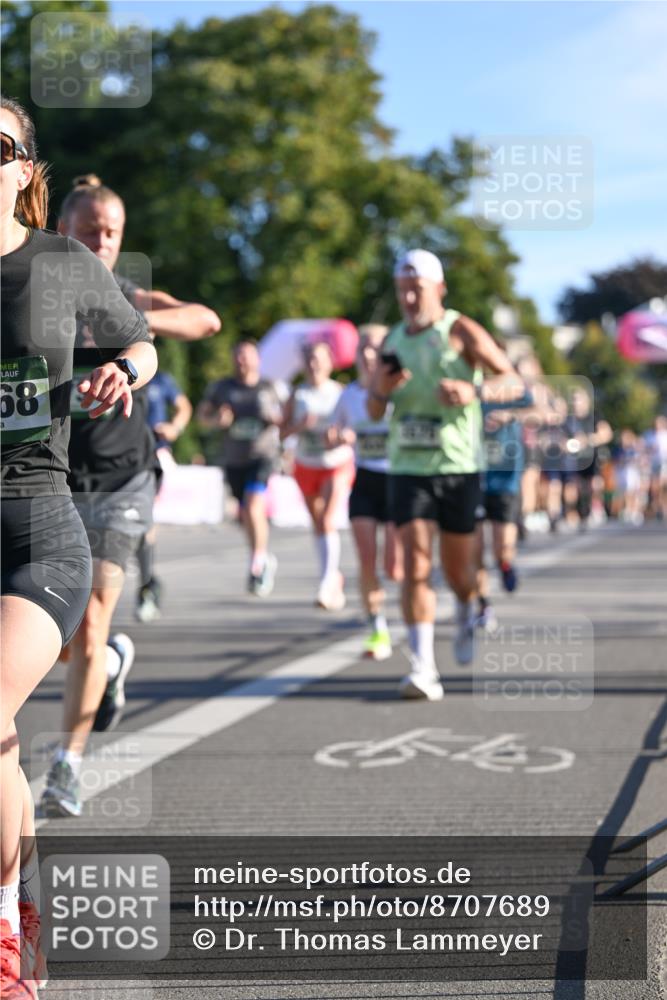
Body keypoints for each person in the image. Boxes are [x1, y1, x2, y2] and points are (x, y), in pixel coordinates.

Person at [0, 96, 157, 995]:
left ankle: (5, 938)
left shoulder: (59, 263)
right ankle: (20, 905)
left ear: (26, 169)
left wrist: (118, 367)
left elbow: (141, 345)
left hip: (35, 525)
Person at [37, 175, 220, 820]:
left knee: (89, 622)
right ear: (63, 230)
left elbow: (207, 319)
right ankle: (112, 663)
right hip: (50, 477)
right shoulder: (35, 289)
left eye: (112, 232)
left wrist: (138, 326)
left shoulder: (123, 294)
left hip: (121, 478)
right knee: (54, 633)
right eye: (91, 230)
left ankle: (68, 766)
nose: (103, 242)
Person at [368, 249, 518, 701]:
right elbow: (375, 409)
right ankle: (423, 667)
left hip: (458, 468)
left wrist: (472, 389)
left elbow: (513, 381)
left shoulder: (460, 329)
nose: (410, 297)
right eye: (402, 289)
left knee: (459, 573)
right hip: (408, 467)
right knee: (414, 564)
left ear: (439, 288)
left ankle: (467, 606)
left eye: (418, 288)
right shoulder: (392, 340)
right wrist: (384, 389)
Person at [330, 325, 403, 659]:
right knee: (366, 560)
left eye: (375, 347)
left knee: (395, 567)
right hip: (365, 481)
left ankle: (410, 609)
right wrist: (338, 435)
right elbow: (336, 428)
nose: (368, 353)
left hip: (398, 480)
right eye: (363, 347)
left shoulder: (400, 390)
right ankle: (377, 628)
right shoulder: (348, 395)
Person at [197, 340, 282, 596]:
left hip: (263, 456)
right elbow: (202, 417)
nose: (242, 361)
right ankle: (263, 556)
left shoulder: (269, 387)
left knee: (254, 505)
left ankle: (257, 564)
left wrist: (275, 418)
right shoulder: (222, 388)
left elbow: (286, 416)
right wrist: (216, 420)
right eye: (238, 356)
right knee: (246, 514)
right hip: (235, 460)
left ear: (257, 359)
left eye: (247, 356)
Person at [281, 341, 355, 611]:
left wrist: (341, 436)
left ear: (330, 363)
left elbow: (353, 427)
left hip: (335, 463)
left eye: (319, 359)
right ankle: (333, 576)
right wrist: (300, 426)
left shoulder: (340, 393)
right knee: (318, 524)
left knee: (327, 519)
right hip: (306, 464)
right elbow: (282, 432)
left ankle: (326, 581)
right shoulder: (297, 394)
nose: (314, 364)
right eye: (310, 359)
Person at [136, 370, 193, 622]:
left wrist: (175, 427)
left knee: (143, 520)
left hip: (152, 457)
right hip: (116, 457)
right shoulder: (109, 368)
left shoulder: (161, 379)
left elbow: (183, 407)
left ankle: (146, 586)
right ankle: (148, 580)